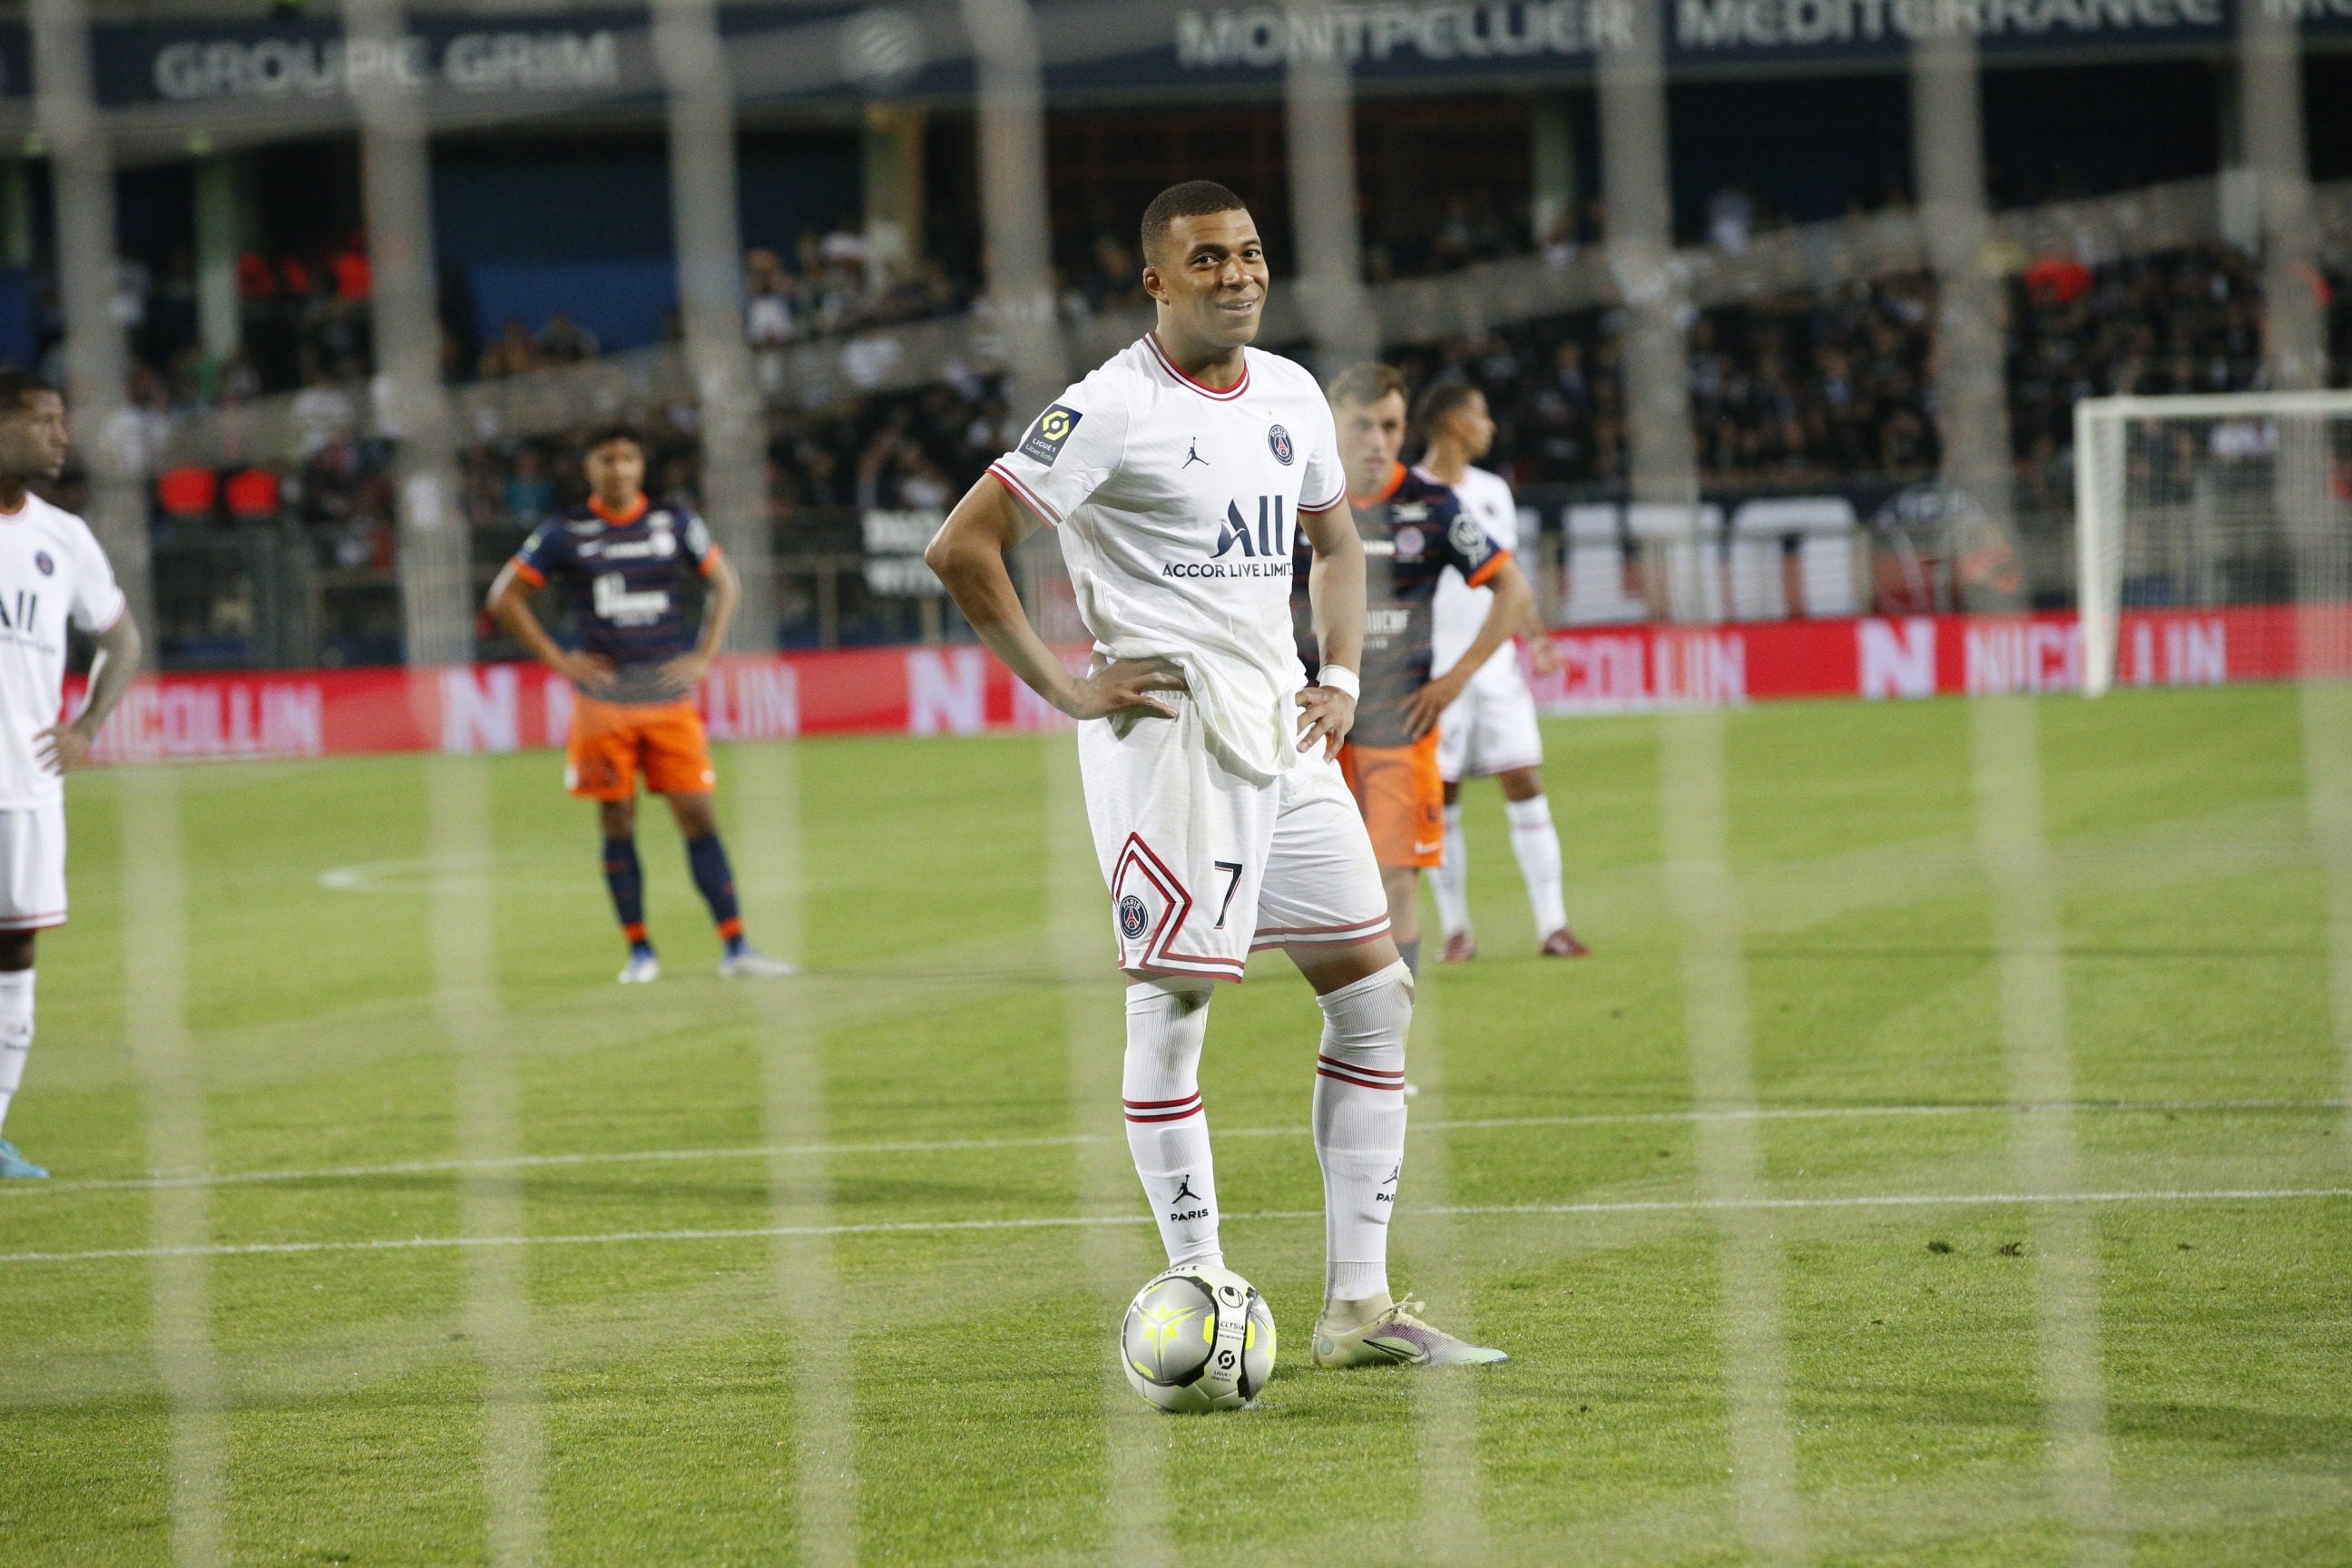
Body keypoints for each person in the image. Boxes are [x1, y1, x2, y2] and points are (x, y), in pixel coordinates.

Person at [925, 181, 1504, 1368]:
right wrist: (1067, 685)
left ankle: (1358, 1309)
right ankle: (1199, 1285)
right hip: (1169, 741)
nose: (1237, 275)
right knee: (1174, 1007)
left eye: (1249, 254)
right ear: (1157, 280)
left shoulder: (1291, 394)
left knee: (1376, 995)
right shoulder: (1109, 409)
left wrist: (1341, 675)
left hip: (1285, 735)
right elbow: (962, 545)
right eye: (1207, 259)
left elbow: (1335, 544)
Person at [485, 424, 791, 985]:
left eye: (628, 457)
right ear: (589, 468)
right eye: (607, 458)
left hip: (669, 699)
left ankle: (737, 947)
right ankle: (640, 952)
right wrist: (560, 661)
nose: (619, 468)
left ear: (641, 465)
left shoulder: (674, 522)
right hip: (604, 703)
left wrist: (704, 656)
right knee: (618, 819)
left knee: (697, 813)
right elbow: (504, 596)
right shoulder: (565, 532)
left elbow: (726, 583)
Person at [1305, 367, 1537, 977]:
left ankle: (1389, 1032)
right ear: (1331, 424)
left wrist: (1455, 679)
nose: (1378, 441)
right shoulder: (1291, 499)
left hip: (1397, 724)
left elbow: (1513, 590)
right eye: (1362, 425)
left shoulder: (1431, 504)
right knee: (1311, 895)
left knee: (1397, 881)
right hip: (1306, 730)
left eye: (1390, 426)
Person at [0, 370, 143, 1179]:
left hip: (24, 786)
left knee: (15, 949)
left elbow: (122, 640)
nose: (61, 435)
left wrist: (87, 726)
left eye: (64, 420)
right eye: (43, 420)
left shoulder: (64, 537)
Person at [1414, 383, 1589, 961]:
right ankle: (1457, 932)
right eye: (1481, 415)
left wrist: (1535, 637)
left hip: (1494, 668)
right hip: (1433, 673)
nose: (1490, 426)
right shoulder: (1408, 493)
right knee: (1441, 796)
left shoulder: (1492, 491)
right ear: (1454, 423)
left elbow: (1507, 576)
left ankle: (1552, 925)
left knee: (1524, 779)